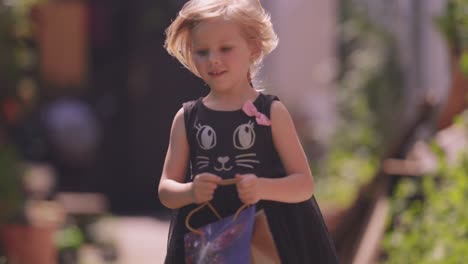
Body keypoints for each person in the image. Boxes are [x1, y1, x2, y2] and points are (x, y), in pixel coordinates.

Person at [158, 0, 339, 263]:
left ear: (254, 48)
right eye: (202, 52)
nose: (213, 60)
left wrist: (262, 188)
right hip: (207, 243)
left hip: (269, 242)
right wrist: (190, 192)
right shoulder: (186, 118)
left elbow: (303, 185)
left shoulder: (272, 112)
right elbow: (165, 190)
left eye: (225, 48)